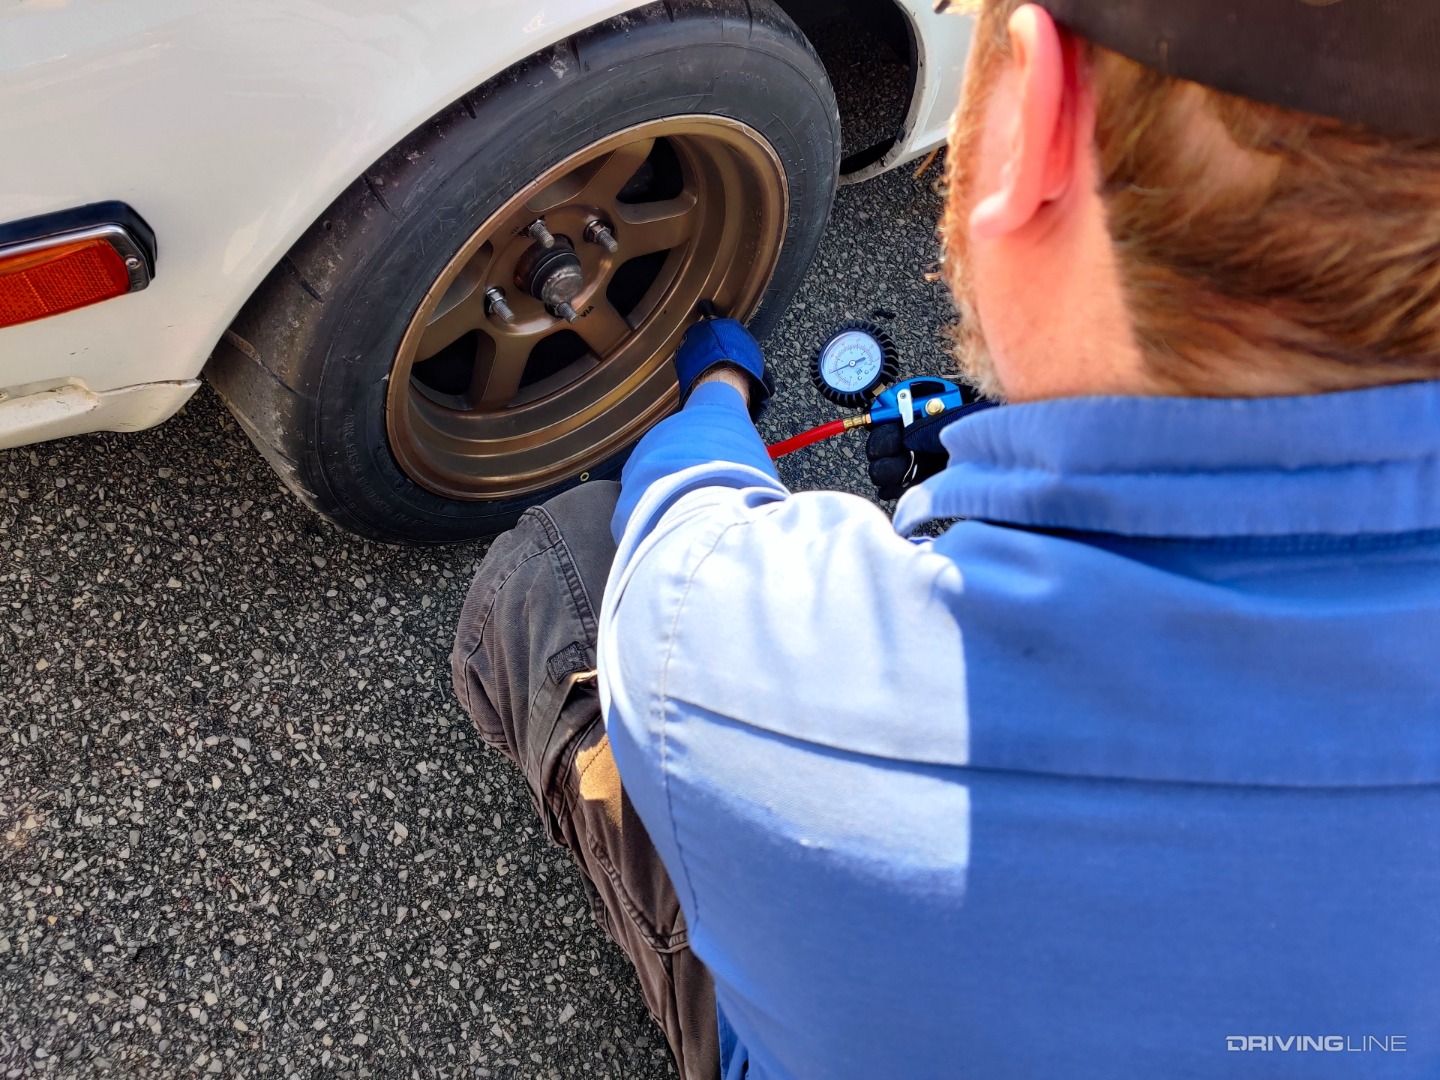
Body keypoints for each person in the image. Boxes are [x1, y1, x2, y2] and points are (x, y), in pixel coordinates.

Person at [452, 0, 1440, 1075]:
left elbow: (682, 512)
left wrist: (719, 395)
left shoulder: (757, 655)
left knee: (566, 562)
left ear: (1034, 121)